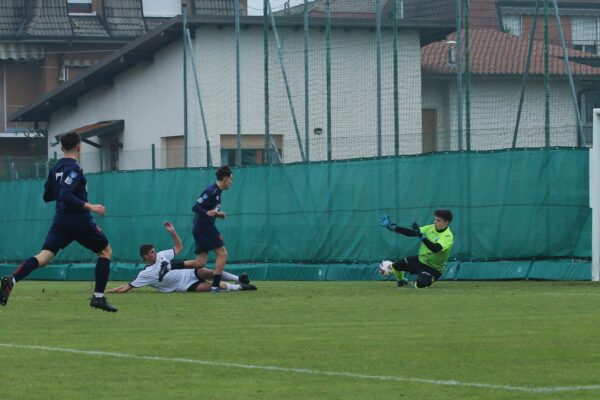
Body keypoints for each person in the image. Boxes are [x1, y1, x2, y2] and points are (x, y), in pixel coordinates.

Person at [0, 131, 118, 312]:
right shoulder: (75, 168)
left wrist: (62, 190)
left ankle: (12, 279)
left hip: (60, 221)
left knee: (44, 257)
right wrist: (89, 205)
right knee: (105, 251)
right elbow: (64, 194)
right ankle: (99, 297)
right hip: (78, 220)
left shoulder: (55, 169)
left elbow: (48, 196)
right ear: (79, 147)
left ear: (61, 148)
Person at [106, 222, 256, 294]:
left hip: (188, 273)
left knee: (207, 271)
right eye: (151, 252)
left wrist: (172, 232)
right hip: (183, 286)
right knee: (210, 286)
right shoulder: (145, 274)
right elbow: (126, 287)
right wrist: (105, 292)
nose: (155, 253)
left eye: (154, 250)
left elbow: (179, 248)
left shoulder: (162, 256)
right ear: (145, 257)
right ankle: (240, 287)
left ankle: (238, 279)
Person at [379, 210, 454, 288]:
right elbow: (412, 233)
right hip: (420, 261)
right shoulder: (430, 228)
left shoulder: (448, 236)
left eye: (439, 220)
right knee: (395, 266)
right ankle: (401, 281)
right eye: (435, 219)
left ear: (446, 222)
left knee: (421, 284)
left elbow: (435, 249)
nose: (435, 222)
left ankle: (422, 282)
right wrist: (394, 228)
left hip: (433, 268)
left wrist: (421, 236)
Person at [190, 165, 234, 292]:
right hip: (204, 227)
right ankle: (215, 286)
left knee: (200, 263)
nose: (231, 182)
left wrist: (218, 214)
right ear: (225, 178)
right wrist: (207, 213)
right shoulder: (211, 191)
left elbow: (210, 210)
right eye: (231, 179)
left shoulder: (218, 192)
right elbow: (195, 207)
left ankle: (169, 267)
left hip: (201, 227)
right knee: (222, 254)